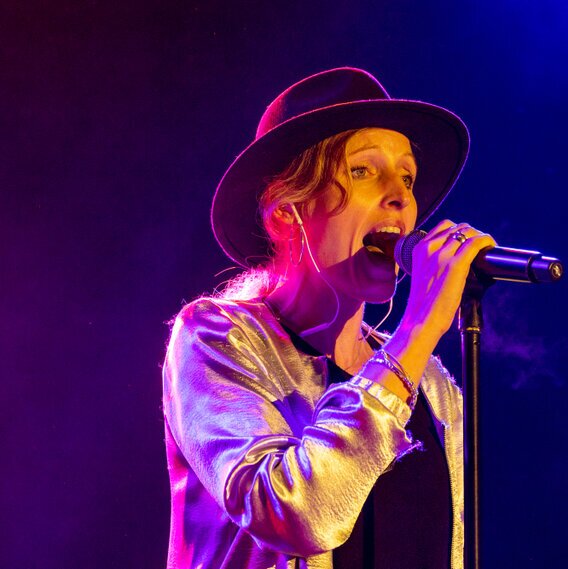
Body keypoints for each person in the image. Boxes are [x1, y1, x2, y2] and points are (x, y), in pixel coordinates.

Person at [162, 67, 495, 569]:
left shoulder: (430, 382)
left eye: (407, 176)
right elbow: (297, 516)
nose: (401, 196)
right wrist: (419, 328)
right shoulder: (215, 338)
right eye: (363, 171)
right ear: (285, 211)